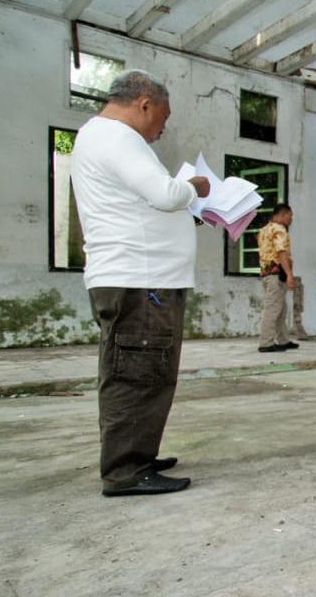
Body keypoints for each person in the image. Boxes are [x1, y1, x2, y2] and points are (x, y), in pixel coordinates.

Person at [71, 69, 210, 496]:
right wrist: (196, 186)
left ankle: (136, 454)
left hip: (139, 275)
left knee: (143, 368)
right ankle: (126, 469)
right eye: (161, 119)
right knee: (137, 372)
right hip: (139, 278)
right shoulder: (116, 136)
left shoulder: (101, 137)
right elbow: (166, 195)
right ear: (144, 103)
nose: (161, 130)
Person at [257, 204, 299, 353]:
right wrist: (289, 275)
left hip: (267, 273)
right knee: (273, 308)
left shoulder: (264, 230)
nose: (291, 219)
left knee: (281, 308)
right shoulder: (279, 230)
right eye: (290, 215)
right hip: (276, 274)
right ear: (283, 215)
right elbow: (281, 253)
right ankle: (266, 343)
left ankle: (282, 340)